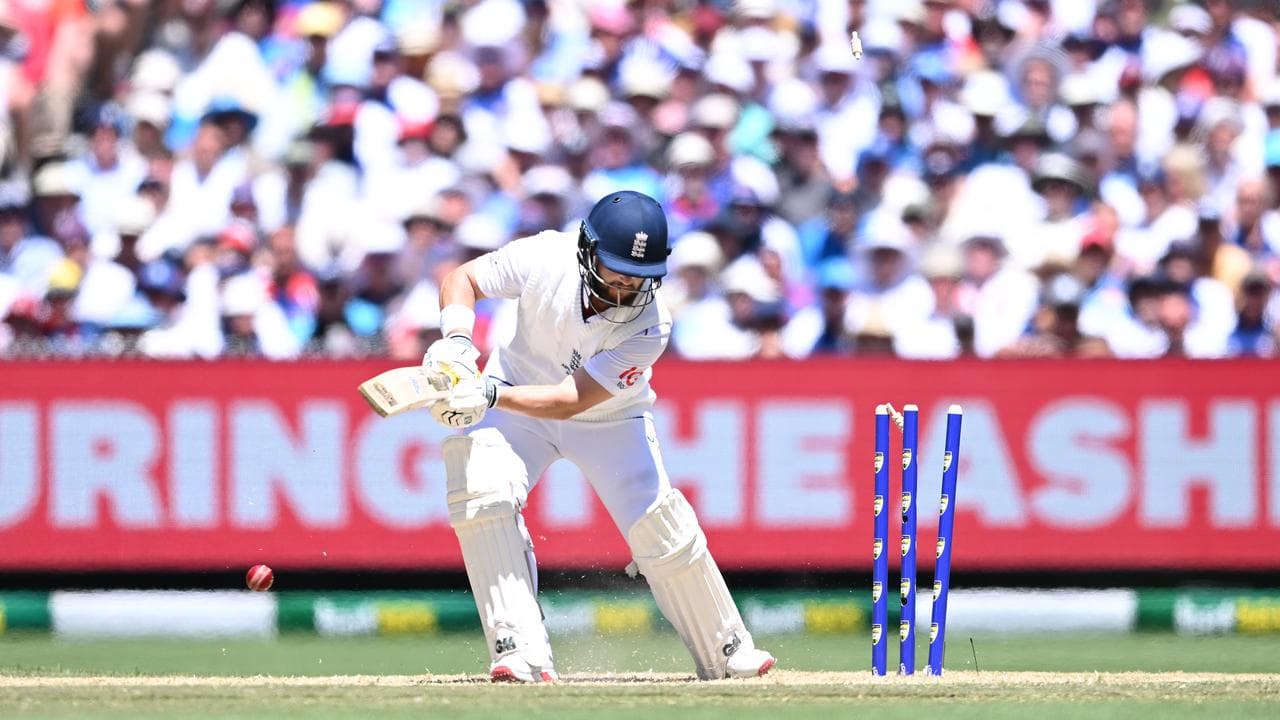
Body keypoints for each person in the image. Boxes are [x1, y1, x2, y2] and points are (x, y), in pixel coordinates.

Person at [420, 191, 776, 683]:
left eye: (640, 278)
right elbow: (462, 279)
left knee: (660, 523)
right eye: (616, 270)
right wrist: (456, 341)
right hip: (517, 403)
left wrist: (487, 393)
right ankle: (520, 650)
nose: (628, 287)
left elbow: (571, 399)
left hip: (608, 418)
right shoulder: (545, 255)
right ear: (587, 249)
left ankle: (727, 649)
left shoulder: (651, 325)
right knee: (482, 492)